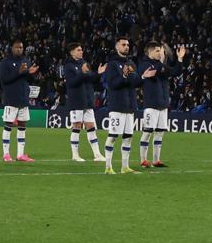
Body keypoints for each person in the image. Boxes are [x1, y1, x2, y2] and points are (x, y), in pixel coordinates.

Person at [103, 36, 150, 175]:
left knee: (128, 136)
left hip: (130, 106)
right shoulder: (112, 64)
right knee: (113, 136)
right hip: (117, 106)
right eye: (123, 44)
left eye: (128, 44)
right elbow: (112, 84)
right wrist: (123, 76)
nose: (127, 46)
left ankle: (125, 167)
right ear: (117, 47)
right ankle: (108, 167)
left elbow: (134, 83)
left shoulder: (131, 63)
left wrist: (142, 78)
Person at [137, 42, 185, 168]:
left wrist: (180, 59)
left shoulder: (160, 65)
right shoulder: (144, 65)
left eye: (160, 51)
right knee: (147, 132)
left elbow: (175, 72)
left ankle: (156, 160)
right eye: (158, 51)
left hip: (163, 105)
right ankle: (143, 160)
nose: (160, 53)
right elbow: (154, 73)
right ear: (150, 52)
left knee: (159, 133)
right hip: (151, 105)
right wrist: (163, 63)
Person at [61, 42, 105, 163]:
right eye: (79, 50)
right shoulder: (68, 66)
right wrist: (82, 73)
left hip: (88, 100)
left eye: (81, 50)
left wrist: (98, 74)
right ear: (72, 52)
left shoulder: (85, 63)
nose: (81, 51)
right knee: (77, 126)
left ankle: (97, 154)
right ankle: (75, 154)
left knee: (91, 126)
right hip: (76, 101)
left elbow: (91, 79)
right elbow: (71, 83)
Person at [0, 40, 39, 163]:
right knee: (8, 125)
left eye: (21, 47)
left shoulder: (26, 61)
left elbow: (27, 79)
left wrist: (31, 74)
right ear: (12, 48)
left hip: (23, 98)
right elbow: (4, 79)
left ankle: (20, 154)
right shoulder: (5, 62)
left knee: (22, 125)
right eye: (17, 47)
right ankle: (6, 154)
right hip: (11, 98)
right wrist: (19, 72)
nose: (19, 49)